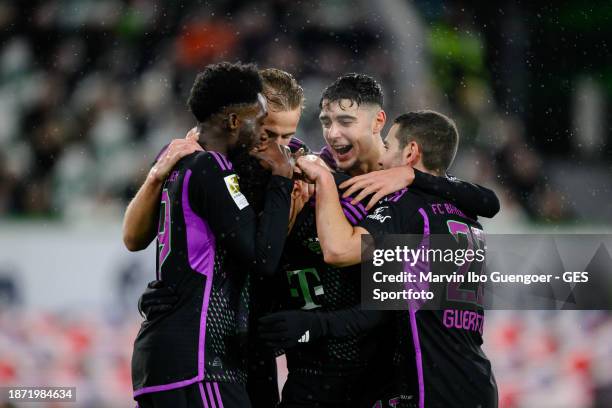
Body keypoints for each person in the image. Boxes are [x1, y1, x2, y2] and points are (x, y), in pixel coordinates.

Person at [296, 110, 498, 408]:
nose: (381, 159)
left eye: (389, 147)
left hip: (434, 388)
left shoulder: (407, 206)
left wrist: (324, 180)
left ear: (411, 152)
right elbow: (489, 201)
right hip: (476, 379)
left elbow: (339, 250)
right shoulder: (464, 209)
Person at [131, 62, 294, 408]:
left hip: (169, 355)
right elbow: (263, 258)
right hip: (200, 360)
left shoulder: (184, 157)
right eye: (259, 120)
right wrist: (282, 179)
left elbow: (137, 240)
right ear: (234, 121)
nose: (265, 133)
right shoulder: (212, 169)